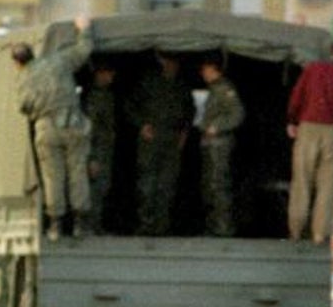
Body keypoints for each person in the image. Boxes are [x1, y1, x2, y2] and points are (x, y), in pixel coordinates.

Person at [13, 16, 95, 241]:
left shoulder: (23, 78)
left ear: (17, 62)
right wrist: (84, 29)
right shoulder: (59, 61)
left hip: (46, 128)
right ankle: (80, 222)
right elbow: (84, 49)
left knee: (53, 177)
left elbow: (23, 107)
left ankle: (55, 225)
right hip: (73, 123)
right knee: (77, 172)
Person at [286, 34, 333, 244]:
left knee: (302, 179)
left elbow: (297, 96)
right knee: (327, 184)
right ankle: (320, 233)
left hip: (308, 126)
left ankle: (296, 229)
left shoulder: (313, 69)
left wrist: (292, 120)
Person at [126, 52, 195, 236]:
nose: (172, 66)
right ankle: (145, 224)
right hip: (151, 138)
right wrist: (142, 125)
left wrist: (184, 134)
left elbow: (190, 112)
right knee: (147, 184)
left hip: (172, 140)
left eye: (175, 62)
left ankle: (162, 226)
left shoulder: (181, 86)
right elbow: (130, 106)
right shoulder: (148, 82)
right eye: (169, 62)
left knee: (167, 184)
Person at [197, 56, 245, 237]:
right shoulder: (213, 89)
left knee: (218, 184)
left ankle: (223, 227)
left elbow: (237, 114)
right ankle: (213, 226)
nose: (203, 74)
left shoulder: (224, 89)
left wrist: (217, 126)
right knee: (209, 185)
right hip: (210, 144)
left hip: (219, 144)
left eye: (205, 70)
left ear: (214, 70)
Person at [83, 62, 117, 235]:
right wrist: (92, 157)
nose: (112, 77)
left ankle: (95, 224)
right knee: (94, 189)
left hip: (104, 149)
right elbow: (90, 129)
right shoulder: (95, 97)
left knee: (101, 188)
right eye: (109, 73)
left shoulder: (105, 95)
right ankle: (88, 225)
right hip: (97, 151)